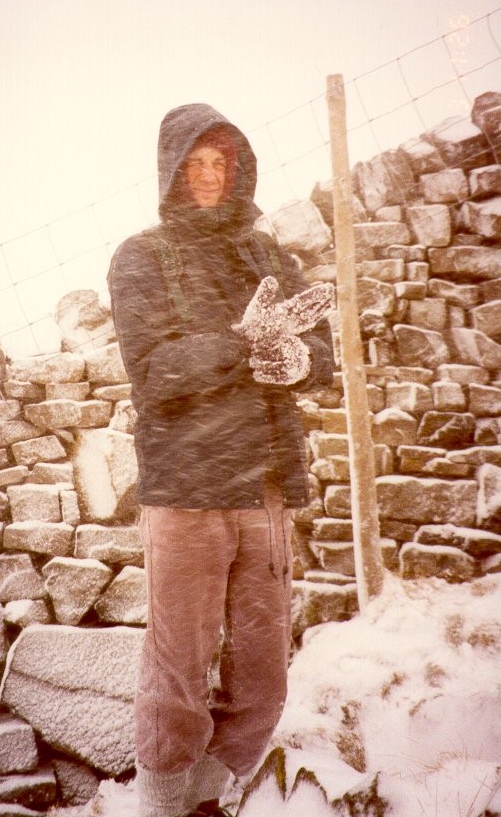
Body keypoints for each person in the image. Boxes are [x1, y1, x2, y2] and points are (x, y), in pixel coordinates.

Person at [108, 103, 334, 817]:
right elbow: (153, 371)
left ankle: (218, 786)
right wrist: (245, 344)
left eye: (220, 163)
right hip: (187, 486)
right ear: (172, 173)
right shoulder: (143, 257)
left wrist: (294, 358)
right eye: (194, 164)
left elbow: (318, 354)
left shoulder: (267, 255)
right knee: (180, 658)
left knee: (264, 661)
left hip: (263, 484)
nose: (208, 176)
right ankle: (163, 795)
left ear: (238, 170)